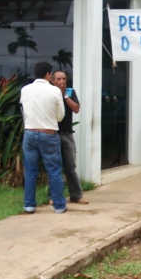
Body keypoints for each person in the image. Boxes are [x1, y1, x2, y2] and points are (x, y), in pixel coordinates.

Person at [20, 61, 67, 214]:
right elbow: (60, 117)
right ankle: (59, 206)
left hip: (29, 132)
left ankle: (29, 205)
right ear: (48, 74)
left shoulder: (25, 90)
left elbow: (23, 111)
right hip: (48, 134)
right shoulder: (54, 91)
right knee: (53, 170)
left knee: (31, 171)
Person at [52, 70, 88, 205]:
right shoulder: (49, 92)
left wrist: (65, 95)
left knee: (71, 166)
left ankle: (76, 195)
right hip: (53, 134)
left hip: (67, 134)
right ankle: (54, 196)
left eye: (64, 79)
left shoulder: (70, 91)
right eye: (59, 79)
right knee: (55, 167)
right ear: (53, 80)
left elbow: (76, 108)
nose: (62, 81)